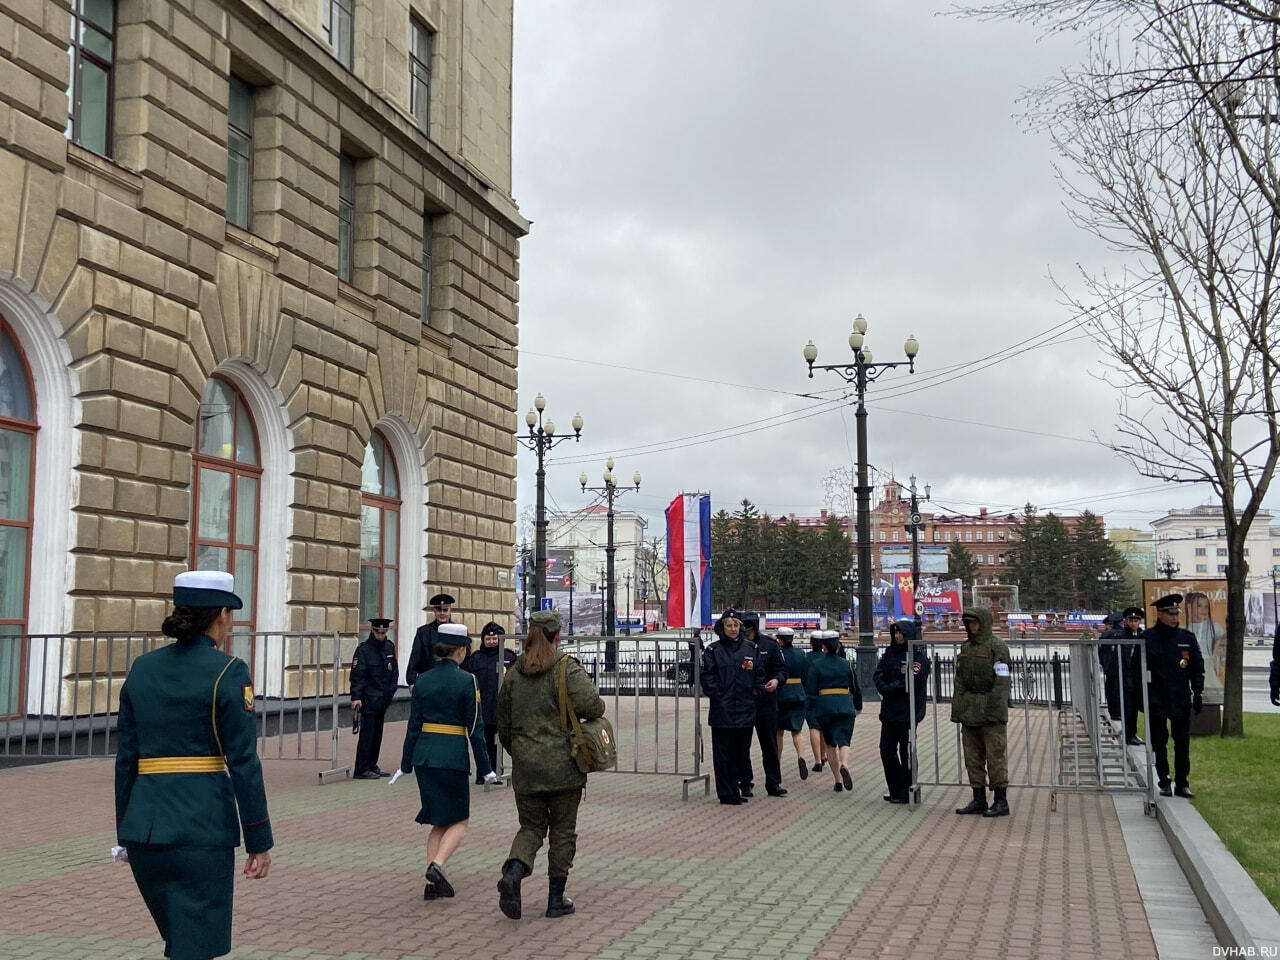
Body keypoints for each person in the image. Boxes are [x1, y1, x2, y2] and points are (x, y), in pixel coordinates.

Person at [114, 570, 273, 960]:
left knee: (181, 942)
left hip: (145, 830)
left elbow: (126, 760)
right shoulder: (228, 670)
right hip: (202, 829)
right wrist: (259, 840)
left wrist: (126, 830)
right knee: (197, 944)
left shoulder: (142, 668)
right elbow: (244, 762)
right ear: (222, 614)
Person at [496, 608, 604, 920]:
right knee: (562, 831)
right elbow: (593, 704)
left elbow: (503, 725)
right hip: (563, 767)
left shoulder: (514, 673)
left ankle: (513, 875)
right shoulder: (565, 668)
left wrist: (521, 752)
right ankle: (556, 899)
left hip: (526, 767)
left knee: (530, 827)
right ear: (557, 636)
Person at [393, 622, 497, 900]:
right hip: (452, 757)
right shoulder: (467, 681)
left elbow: (413, 725)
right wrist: (486, 768)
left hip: (424, 758)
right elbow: (475, 728)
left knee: (439, 821)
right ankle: (437, 866)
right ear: (461, 651)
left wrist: (405, 764)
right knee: (460, 820)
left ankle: (432, 883)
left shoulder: (423, 680)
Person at [951, 607, 1013, 818]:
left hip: (990, 714)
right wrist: (959, 709)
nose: (972, 626)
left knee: (995, 757)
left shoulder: (998, 647)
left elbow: (1002, 682)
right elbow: (959, 681)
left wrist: (994, 710)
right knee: (972, 758)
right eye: (969, 623)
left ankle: (1000, 801)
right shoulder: (966, 647)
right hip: (970, 712)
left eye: (975, 622)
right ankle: (978, 799)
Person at [1141, 593, 1205, 798]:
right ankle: (1164, 780)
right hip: (1157, 697)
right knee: (1159, 742)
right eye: (1169, 614)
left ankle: (1182, 782)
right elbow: (1136, 670)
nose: (1174, 618)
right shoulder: (1147, 638)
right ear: (1159, 614)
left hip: (1180, 697)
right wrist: (1139, 698)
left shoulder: (1186, 638)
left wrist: (1198, 692)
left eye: (1176, 613)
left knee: (1182, 742)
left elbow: (1196, 667)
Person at [699, 608, 765, 805]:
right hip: (723, 711)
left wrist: (754, 694)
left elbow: (759, 676)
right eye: (729, 625)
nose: (733, 628)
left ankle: (736, 789)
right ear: (722, 627)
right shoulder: (714, 650)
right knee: (723, 754)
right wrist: (718, 696)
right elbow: (707, 677)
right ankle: (726, 793)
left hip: (745, 711)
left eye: (736, 625)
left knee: (741, 752)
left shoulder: (751, 649)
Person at [873, 619, 930, 804]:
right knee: (886, 751)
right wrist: (885, 687)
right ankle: (896, 789)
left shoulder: (918, 657)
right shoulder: (889, 653)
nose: (897, 636)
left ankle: (908, 790)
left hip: (907, 712)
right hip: (889, 711)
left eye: (901, 633)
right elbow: (878, 674)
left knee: (907, 753)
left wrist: (894, 687)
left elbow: (913, 680)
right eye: (895, 632)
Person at [804, 630, 861, 792]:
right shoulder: (846, 664)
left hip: (825, 707)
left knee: (830, 744)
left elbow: (812, 691)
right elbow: (855, 688)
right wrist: (857, 705)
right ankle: (845, 764)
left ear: (823, 646)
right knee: (845, 741)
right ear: (838, 645)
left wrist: (814, 708)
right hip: (845, 705)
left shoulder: (816, 664)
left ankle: (837, 781)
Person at [741, 612, 788, 797]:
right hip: (745, 700)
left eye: (750, 630)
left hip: (767, 701)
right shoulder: (737, 647)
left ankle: (773, 783)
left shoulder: (770, 645)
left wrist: (776, 680)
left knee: (769, 744)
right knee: (742, 744)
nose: (747, 634)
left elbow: (782, 670)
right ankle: (745, 782)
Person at [463, 620, 516, 783]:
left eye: (495, 639)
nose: (492, 642)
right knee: (482, 743)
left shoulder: (509, 657)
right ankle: (483, 774)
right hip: (481, 709)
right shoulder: (476, 658)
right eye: (488, 639)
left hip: (501, 709)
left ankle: (496, 772)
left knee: (498, 743)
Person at [349, 616, 399, 779]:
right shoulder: (364, 650)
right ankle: (361, 768)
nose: (381, 635)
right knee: (367, 735)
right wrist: (356, 697)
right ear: (372, 630)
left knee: (377, 735)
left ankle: (372, 764)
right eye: (378, 632)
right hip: (369, 699)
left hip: (383, 699)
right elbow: (358, 676)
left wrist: (390, 694)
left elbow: (394, 673)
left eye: (384, 632)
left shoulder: (389, 648)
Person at [1098, 607, 1144, 746]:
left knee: (1139, 705)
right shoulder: (1121, 636)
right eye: (1131, 620)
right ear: (1126, 621)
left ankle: (1135, 733)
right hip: (1125, 675)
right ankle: (1130, 734)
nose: (1134, 623)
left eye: (1136, 620)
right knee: (1128, 706)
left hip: (1139, 676)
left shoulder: (1143, 635)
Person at [774, 627, 810, 780]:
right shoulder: (801, 654)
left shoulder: (777, 653)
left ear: (780, 640)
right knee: (797, 731)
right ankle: (801, 756)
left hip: (781, 693)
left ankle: (777, 764)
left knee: (779, 732)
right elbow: (806, 675)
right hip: (798, 693)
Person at [406, 592, 456, 685]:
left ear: (450, 611)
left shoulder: (458, 632)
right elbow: (415, 657)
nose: (442, 613)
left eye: (445, 610)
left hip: (452, 683)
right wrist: (411, 682)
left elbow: (465, 660)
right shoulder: (423, 633)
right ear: (434, 611)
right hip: (429, 682)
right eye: (439, 610)